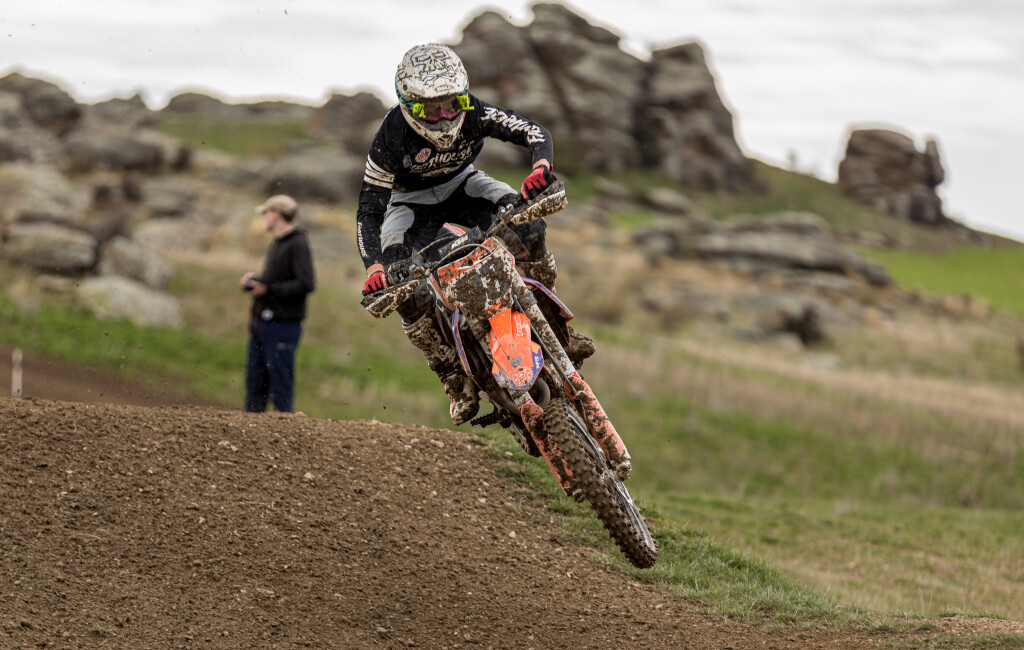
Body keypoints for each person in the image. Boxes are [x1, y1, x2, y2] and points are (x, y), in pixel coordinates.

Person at [356, 43, 593, 426]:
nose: (445, 115)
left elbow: (533, 130)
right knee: (402, 285)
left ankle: (553, 324)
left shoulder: (474, 112)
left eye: (452, 103)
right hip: (409, 206)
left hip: (465, 185)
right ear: (408, 105)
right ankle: (451, 375)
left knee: (529, 224)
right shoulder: (390, 137)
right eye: (431, 109)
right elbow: (369, 209)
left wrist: (540, 167)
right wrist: (374, 268)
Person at [241, 194, 316, 413]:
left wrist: (268, 290)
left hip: (283, 325)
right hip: (262, 325)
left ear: (275, 214)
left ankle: (284, 432)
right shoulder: (277, 243)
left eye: (265, 213)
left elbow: (306, 283)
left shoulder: (297, 243)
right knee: (255, 387)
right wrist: (255, 282)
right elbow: (278, 280)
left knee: (280, 389)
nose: (263, 218)